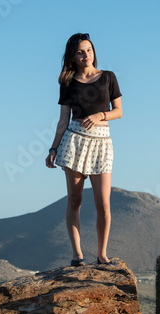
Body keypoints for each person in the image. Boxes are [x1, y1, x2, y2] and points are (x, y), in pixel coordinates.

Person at [45, 33, 123, 266]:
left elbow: (119, 111)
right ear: (73, 57)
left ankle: (102, 254)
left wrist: (100, 115)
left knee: (103, 203)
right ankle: (77, 255)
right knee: (75, 199)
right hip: (74, 142)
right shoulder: (68, 83)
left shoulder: (108, 77)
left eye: (88, 50)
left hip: (102, 143)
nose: (86, 55)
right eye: (80, 51)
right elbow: (62, 120)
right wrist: (53, 148)